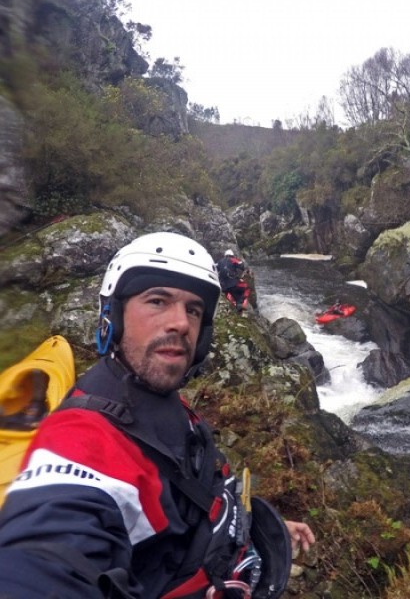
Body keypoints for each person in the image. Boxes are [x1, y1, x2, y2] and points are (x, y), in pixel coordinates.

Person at [0, 232, 314, 598]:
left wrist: (253, 527)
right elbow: (46, 558)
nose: (180, 323)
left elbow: (195, 496)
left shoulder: (159, 398)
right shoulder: (82, 439)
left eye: (193, 310)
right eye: (158, 301)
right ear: (113, 315)